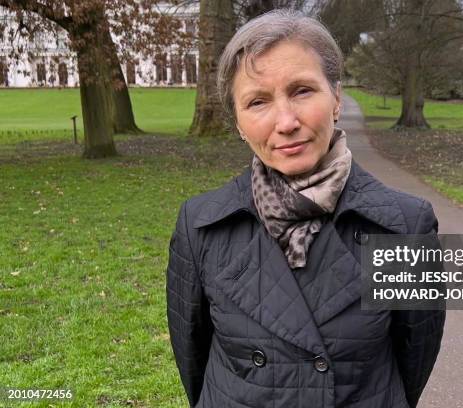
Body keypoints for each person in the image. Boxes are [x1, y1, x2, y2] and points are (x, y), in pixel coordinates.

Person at [166, 9, 445, 408]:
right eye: (257, 101)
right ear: (240, 123)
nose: (285, 121)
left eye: (302, 91)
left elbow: (413, 359)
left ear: (336, 98)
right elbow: (193, 357)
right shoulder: (200, 226)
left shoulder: (406, 224)